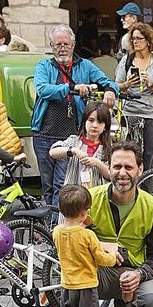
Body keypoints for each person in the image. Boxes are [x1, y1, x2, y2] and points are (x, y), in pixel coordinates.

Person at [87, 142, 153, 307]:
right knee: (72, 277)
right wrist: (101, 244)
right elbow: (68, 237)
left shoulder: (152, 206)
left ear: (140, 169)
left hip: (133, 271)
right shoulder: (90, 199)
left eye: (128, 167)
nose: (122, 173)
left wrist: (139, 274)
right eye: (116, 166)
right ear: (108, 168)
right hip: (98, 271)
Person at [32, 29, 109, 220]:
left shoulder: (85, 65)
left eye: (66, 44)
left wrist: (110, 90)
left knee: (62, 183)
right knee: (47, 184)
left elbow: (105, 81)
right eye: (58, 44)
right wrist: (71, 88)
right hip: (44, 134)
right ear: (51, 47)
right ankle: (50, 224)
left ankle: (59, 224)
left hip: (70, 135)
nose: (62, 48)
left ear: (73, 45)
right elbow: (43, 89)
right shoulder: (44, 65)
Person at [53, 183, 119, 307]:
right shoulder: (87, 235)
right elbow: (100, 259)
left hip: (66, 285)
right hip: (86, 286)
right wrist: (113, 257)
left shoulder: (57, 231)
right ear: (84, 212)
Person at [115, 22, 153, 169]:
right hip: (130, 113)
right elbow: (116, 86)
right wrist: (127, 84)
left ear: (148, 41)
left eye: (139, 38)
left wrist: (151, 85)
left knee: (148, 157)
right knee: (129, 156)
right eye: (133, 39)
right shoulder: (126, 60)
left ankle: (145, 189)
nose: (135, 42)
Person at [49, 102, 112, 189]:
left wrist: (97, 163)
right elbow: (52, 152)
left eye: (100, 122)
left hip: (97, 195)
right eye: (91, 120)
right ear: (84, 121)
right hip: (73, 194)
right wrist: (73, 151)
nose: (94, 125)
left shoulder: (108, 147)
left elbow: (111, 175)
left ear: (105, 126)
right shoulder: (75, 141)